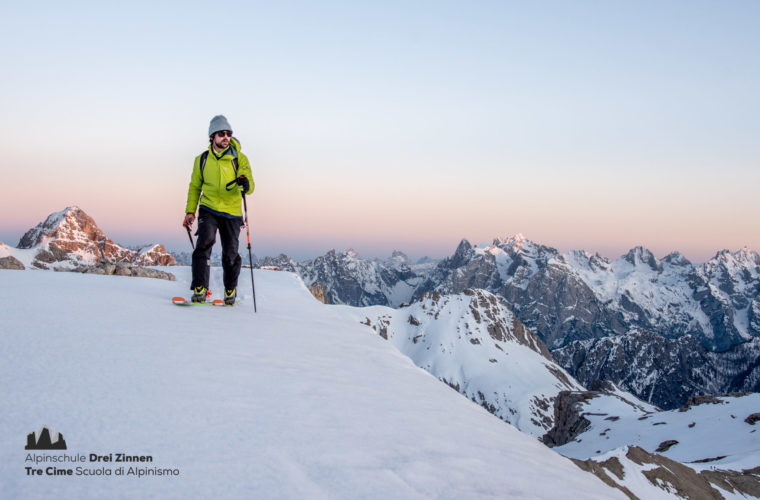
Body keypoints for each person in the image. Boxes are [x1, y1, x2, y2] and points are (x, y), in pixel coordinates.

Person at [183, 115, 254, 304]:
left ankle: (230, 291)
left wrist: (245, 184)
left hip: (231, 211)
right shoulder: (202, 160)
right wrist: (190, 211)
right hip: (209, 207)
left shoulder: (239, 159)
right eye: (222, 133)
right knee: (203, 245)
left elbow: (251, 187)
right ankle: (200, 289)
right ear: (212, 136)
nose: (226, 137)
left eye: (229, 133)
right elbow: (195, 186)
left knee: (230, 253)